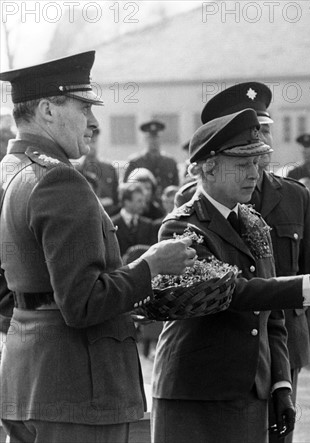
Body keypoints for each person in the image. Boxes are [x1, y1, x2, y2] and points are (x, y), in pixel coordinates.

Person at [0, 51, 197, 443]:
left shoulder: (12, 171)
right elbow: (83, 303)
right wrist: (151, 265)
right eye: (83, 107)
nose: (93, 123)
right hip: (79, 391)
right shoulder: (59, 180)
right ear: (47, 110)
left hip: (26, 380)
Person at [152, 108, 310, 443]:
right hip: (196, 394)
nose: (254, 173)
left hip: (251, 390)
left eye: (257, 162)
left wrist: (281, 382)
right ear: (208, 167)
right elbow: (236, 293)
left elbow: (273, 320)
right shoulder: (183, 227)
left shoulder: (253, 224)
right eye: (242, 164)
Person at [199, 81, 310, 443]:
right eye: (250, 133)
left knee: (280, 430)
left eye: (264, 130)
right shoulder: (202, 199)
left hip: (283, 337)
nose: (260, 141)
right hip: (230, 340)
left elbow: (309, 271)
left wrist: (303, 337)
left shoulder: (295, 196)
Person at [124, 119, 179, 197]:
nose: (154, 141)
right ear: (145, 139)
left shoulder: (170, 162)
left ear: (160, 139)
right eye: (151, 138)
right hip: (143, 205)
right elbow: (127, 188)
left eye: (156, 137)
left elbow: (175, 188)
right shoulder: (135, 161)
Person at [76, 128, 119, 215]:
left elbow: (116, 200)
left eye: (94, 141)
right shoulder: (76, 170)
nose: (91, 146)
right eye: (88, 142)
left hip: (108, 217)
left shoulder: (109, 168)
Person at [111, 182, 157, 256]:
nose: (143, 205)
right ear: (127, 202)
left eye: (144, 201)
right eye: (139, 201)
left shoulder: (148, 225)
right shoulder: (111, 224)